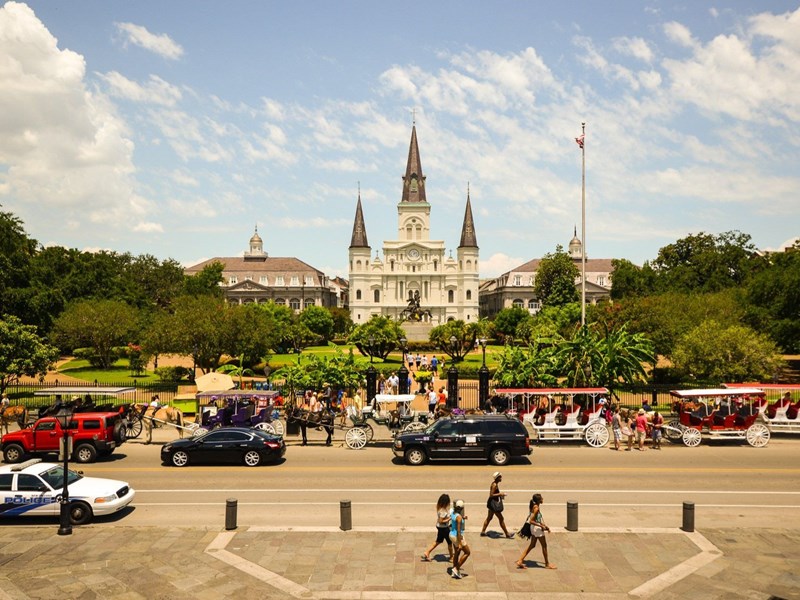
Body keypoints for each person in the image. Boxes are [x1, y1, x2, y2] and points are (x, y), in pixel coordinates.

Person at [515, 493, 556, 570]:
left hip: (533, 528)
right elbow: (531, 521)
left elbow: (536, 520)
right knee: (544, 546)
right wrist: (542, 526)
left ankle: (520, 560)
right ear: (538, 500)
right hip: (537, 529)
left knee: (532, 545)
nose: (542, 499)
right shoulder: (536, 509)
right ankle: (547, 564)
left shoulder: (533, 506)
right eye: (541, 498)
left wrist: (544, 525)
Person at [421, 494, 453, 562]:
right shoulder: (443, 511)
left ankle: (427, 552)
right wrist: (449, 518)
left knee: (438, 541)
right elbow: (441, 521)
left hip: (440, 527)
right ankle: (451, 557)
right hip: (444, 528)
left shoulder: (439, 508)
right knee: (450, 543)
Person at [480, 472, 513, 538]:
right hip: (493, 505)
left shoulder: (494, 484)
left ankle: (483, 532)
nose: (501, 478)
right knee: (501, 518)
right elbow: (491, 495)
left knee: (489, 518)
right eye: (500, 477)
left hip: (491, 504)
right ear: (497, 478)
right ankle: (507, 534)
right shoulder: (494, 485)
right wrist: (500, 494)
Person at [449, 499, 470, 579]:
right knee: (467, 552)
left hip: (451, 535)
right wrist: (460, 543)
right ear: (461, 508)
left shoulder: (453, 512)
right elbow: (458, 531)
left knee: (457, 553)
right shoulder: (459, 518)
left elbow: (455, 519)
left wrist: (463, 517)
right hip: (457, 536)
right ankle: (456, 568)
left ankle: (454, 572)